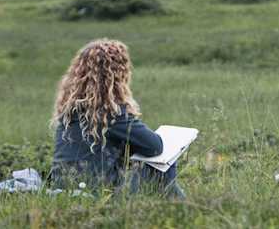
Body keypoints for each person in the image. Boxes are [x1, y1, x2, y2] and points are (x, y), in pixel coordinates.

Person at [50, 38, 184, 198]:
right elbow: (155, 146)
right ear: (117, 74)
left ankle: (180, 206)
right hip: (96, 195)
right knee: (161, 162)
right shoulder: (111, 114)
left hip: (63, 191)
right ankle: (181, 207)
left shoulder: (70, 111)